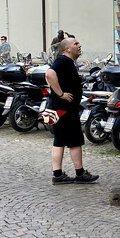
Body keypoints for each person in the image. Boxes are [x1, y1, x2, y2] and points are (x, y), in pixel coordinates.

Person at [45, 37, 99, 185]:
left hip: (60, 109)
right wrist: (61, 94)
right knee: (75, 141)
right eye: (76, 43)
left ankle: (57, 174)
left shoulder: (66, 62)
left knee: (59, 141)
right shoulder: (63, 61)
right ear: (67, 49)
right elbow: (49, 74)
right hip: (65, 109)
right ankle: (80, 173)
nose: (79, 45)